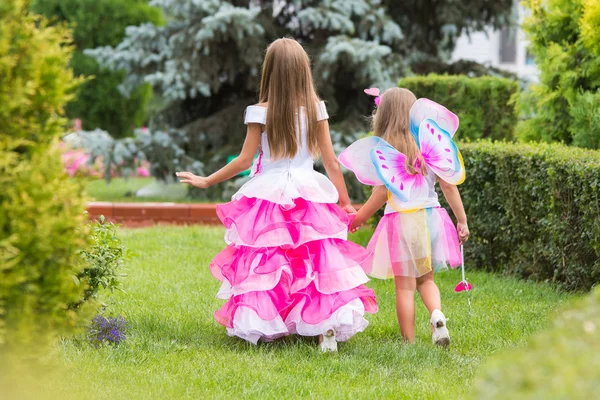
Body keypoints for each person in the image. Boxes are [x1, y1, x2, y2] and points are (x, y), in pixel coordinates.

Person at [176, 38, 377, 352]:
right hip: (307, 187)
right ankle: (322, 325)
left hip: (270, 191)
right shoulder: (316, 110)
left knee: (269, 261)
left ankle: (269, 322)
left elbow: (244, 161)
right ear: (302, 71)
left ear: (268, 71)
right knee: (313, 258)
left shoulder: (259, 112)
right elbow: (330, 161)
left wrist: (206, 181)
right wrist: (346, 201)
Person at [339, 88, 470, 346]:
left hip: (401, 223)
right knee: (427, 280)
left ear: (384, 117)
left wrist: (358, 218)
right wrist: (462, 220)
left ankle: (408, 341)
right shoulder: (428, 147)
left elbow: (380, 195)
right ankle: (436, 315)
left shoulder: (387, 153)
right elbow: (449, 186)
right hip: (430, 219)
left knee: (405, 286)